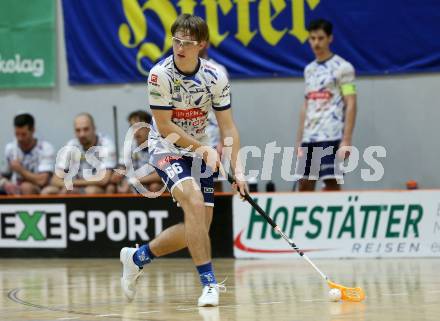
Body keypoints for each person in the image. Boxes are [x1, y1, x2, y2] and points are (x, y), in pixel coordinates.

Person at [120, 14, 246, 307]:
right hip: (166, 148)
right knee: (194, 202)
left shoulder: (216, 77)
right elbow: (164, 127)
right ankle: (209, 284)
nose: (179, 47)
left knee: (198, 227)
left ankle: (136, 257)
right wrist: (202, 150)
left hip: (198, 148)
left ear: (201, 45)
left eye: (187, 43)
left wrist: (237, 170)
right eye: (176, 40)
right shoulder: (159, 75)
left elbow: (228, 127)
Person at [295, 19, 357, 191]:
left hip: (332, 135)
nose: (316, 43)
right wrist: (300, 139)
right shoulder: (309, 69)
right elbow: (306, 104)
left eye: (320, 38)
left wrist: (346, 139)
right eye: (312, 38)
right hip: (310, 137)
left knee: (331, 183)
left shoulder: (343, 67)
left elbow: (351, 103)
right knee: (305, 184)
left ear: (330, 38)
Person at [41, 113, 116, 194]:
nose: (82, 134)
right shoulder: (71, 145)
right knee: (47, 191)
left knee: (90, 191)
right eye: (78, 130)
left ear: (94, 129)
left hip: (97, 188)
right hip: (75, 186)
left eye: (86, 129)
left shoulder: (106, 144)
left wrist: (72, 183)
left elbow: (104, 180)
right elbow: (55, 180)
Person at [109, 110, 163, 194]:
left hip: (152, 184)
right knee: (116, 187)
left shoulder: (159, 145)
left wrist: (133, 181)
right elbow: (122, 166)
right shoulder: (129, 145)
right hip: (134, 183)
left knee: (154, 186)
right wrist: (118, 174)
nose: (136, 131)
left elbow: (160, 175)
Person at [199, 45, 229, 192]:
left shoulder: (218, 70)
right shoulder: (177, 70)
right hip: (188, 138)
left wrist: (223, 141)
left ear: (205, 42)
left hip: (212, 137)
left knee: (214, 182)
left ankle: (219, 215)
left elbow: (225, 109)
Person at [0, 113, 54, 195]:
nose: (20, 138)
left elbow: (42, 181)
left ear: (32, 130)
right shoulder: (10, 148)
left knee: (26, 187)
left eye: (24, 134)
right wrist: (5, 182)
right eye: (17, 134)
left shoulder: (45, 148)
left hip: (38, 189)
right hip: (14, 188)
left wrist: (20, 170)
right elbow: (4, 175)